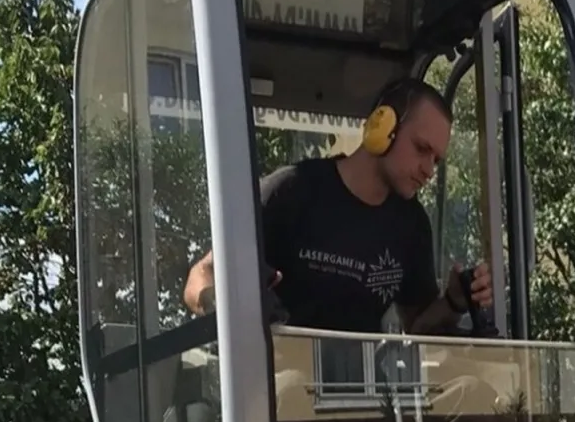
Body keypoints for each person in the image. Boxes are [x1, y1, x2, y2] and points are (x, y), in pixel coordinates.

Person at [182, 77, 492, 335]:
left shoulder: (411, 224)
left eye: (436, 159)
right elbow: (200, 277)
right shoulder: (293, 190)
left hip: (364, 398)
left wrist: (453, 301)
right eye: (422, 149)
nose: (429, 169)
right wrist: (231, 310)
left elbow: (417, 328)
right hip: (278, 392)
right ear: (382, 127)